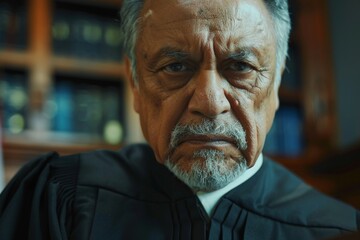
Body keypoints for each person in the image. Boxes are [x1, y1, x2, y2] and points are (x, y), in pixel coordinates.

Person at [0, 0, 359, 239]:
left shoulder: (338, 229)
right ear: (136, 84)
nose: (210, 103)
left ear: (277, 83)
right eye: (175, 67)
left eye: (241, 67)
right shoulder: (57, 197)